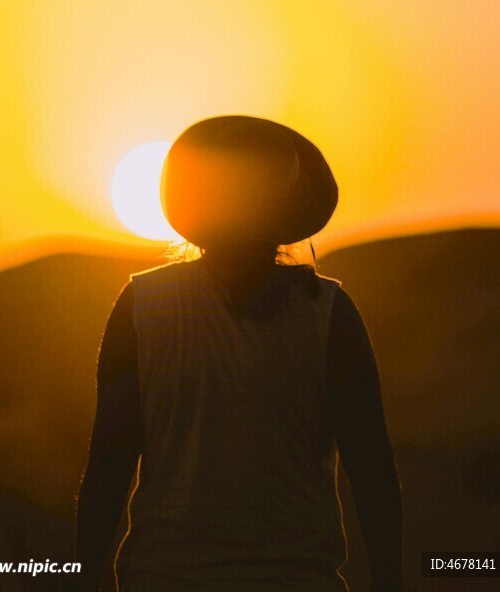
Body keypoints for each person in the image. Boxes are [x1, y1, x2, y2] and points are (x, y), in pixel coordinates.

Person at [74, 116, 403, 592]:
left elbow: (108, 467)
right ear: (285, 210)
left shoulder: (142, 307)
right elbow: (372, 473)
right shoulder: (329, 315)